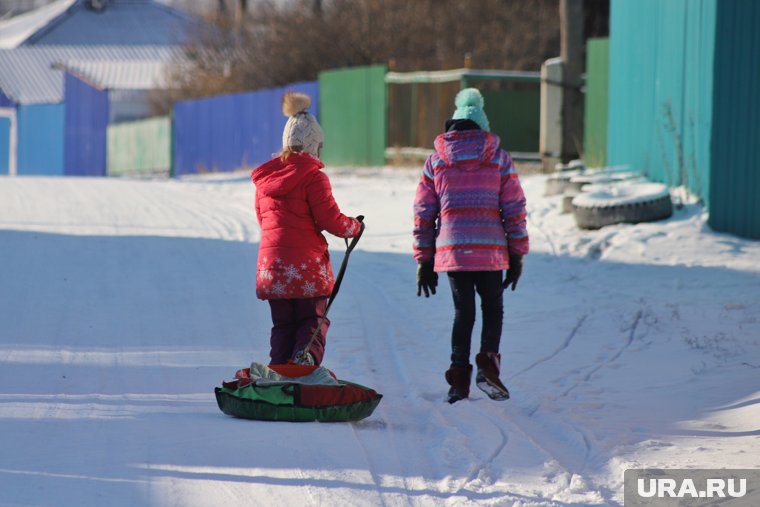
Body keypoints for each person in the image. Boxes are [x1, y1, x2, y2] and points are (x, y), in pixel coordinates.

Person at [412, 88, 529, 403]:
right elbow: (514, 209)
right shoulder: (499, 159)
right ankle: (488, 367)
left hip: (453, 250)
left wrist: (425, 261)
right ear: (483, 127)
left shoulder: (436, 162)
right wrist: (516, 254)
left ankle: (458, 379)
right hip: (490, 250)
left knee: (463, 312)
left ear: (453, 127)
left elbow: (424, 214)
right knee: (493, 308)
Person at [251, 92, 362, 366]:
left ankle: (278, 373)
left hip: (273, 269)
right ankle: (304, 366)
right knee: (311, 322)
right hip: (305, 269)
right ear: (315, 145)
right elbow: (330, 219)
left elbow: (264, 222)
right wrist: (354, 227)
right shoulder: (313, 177)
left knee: (283, 327)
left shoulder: (266, 181)